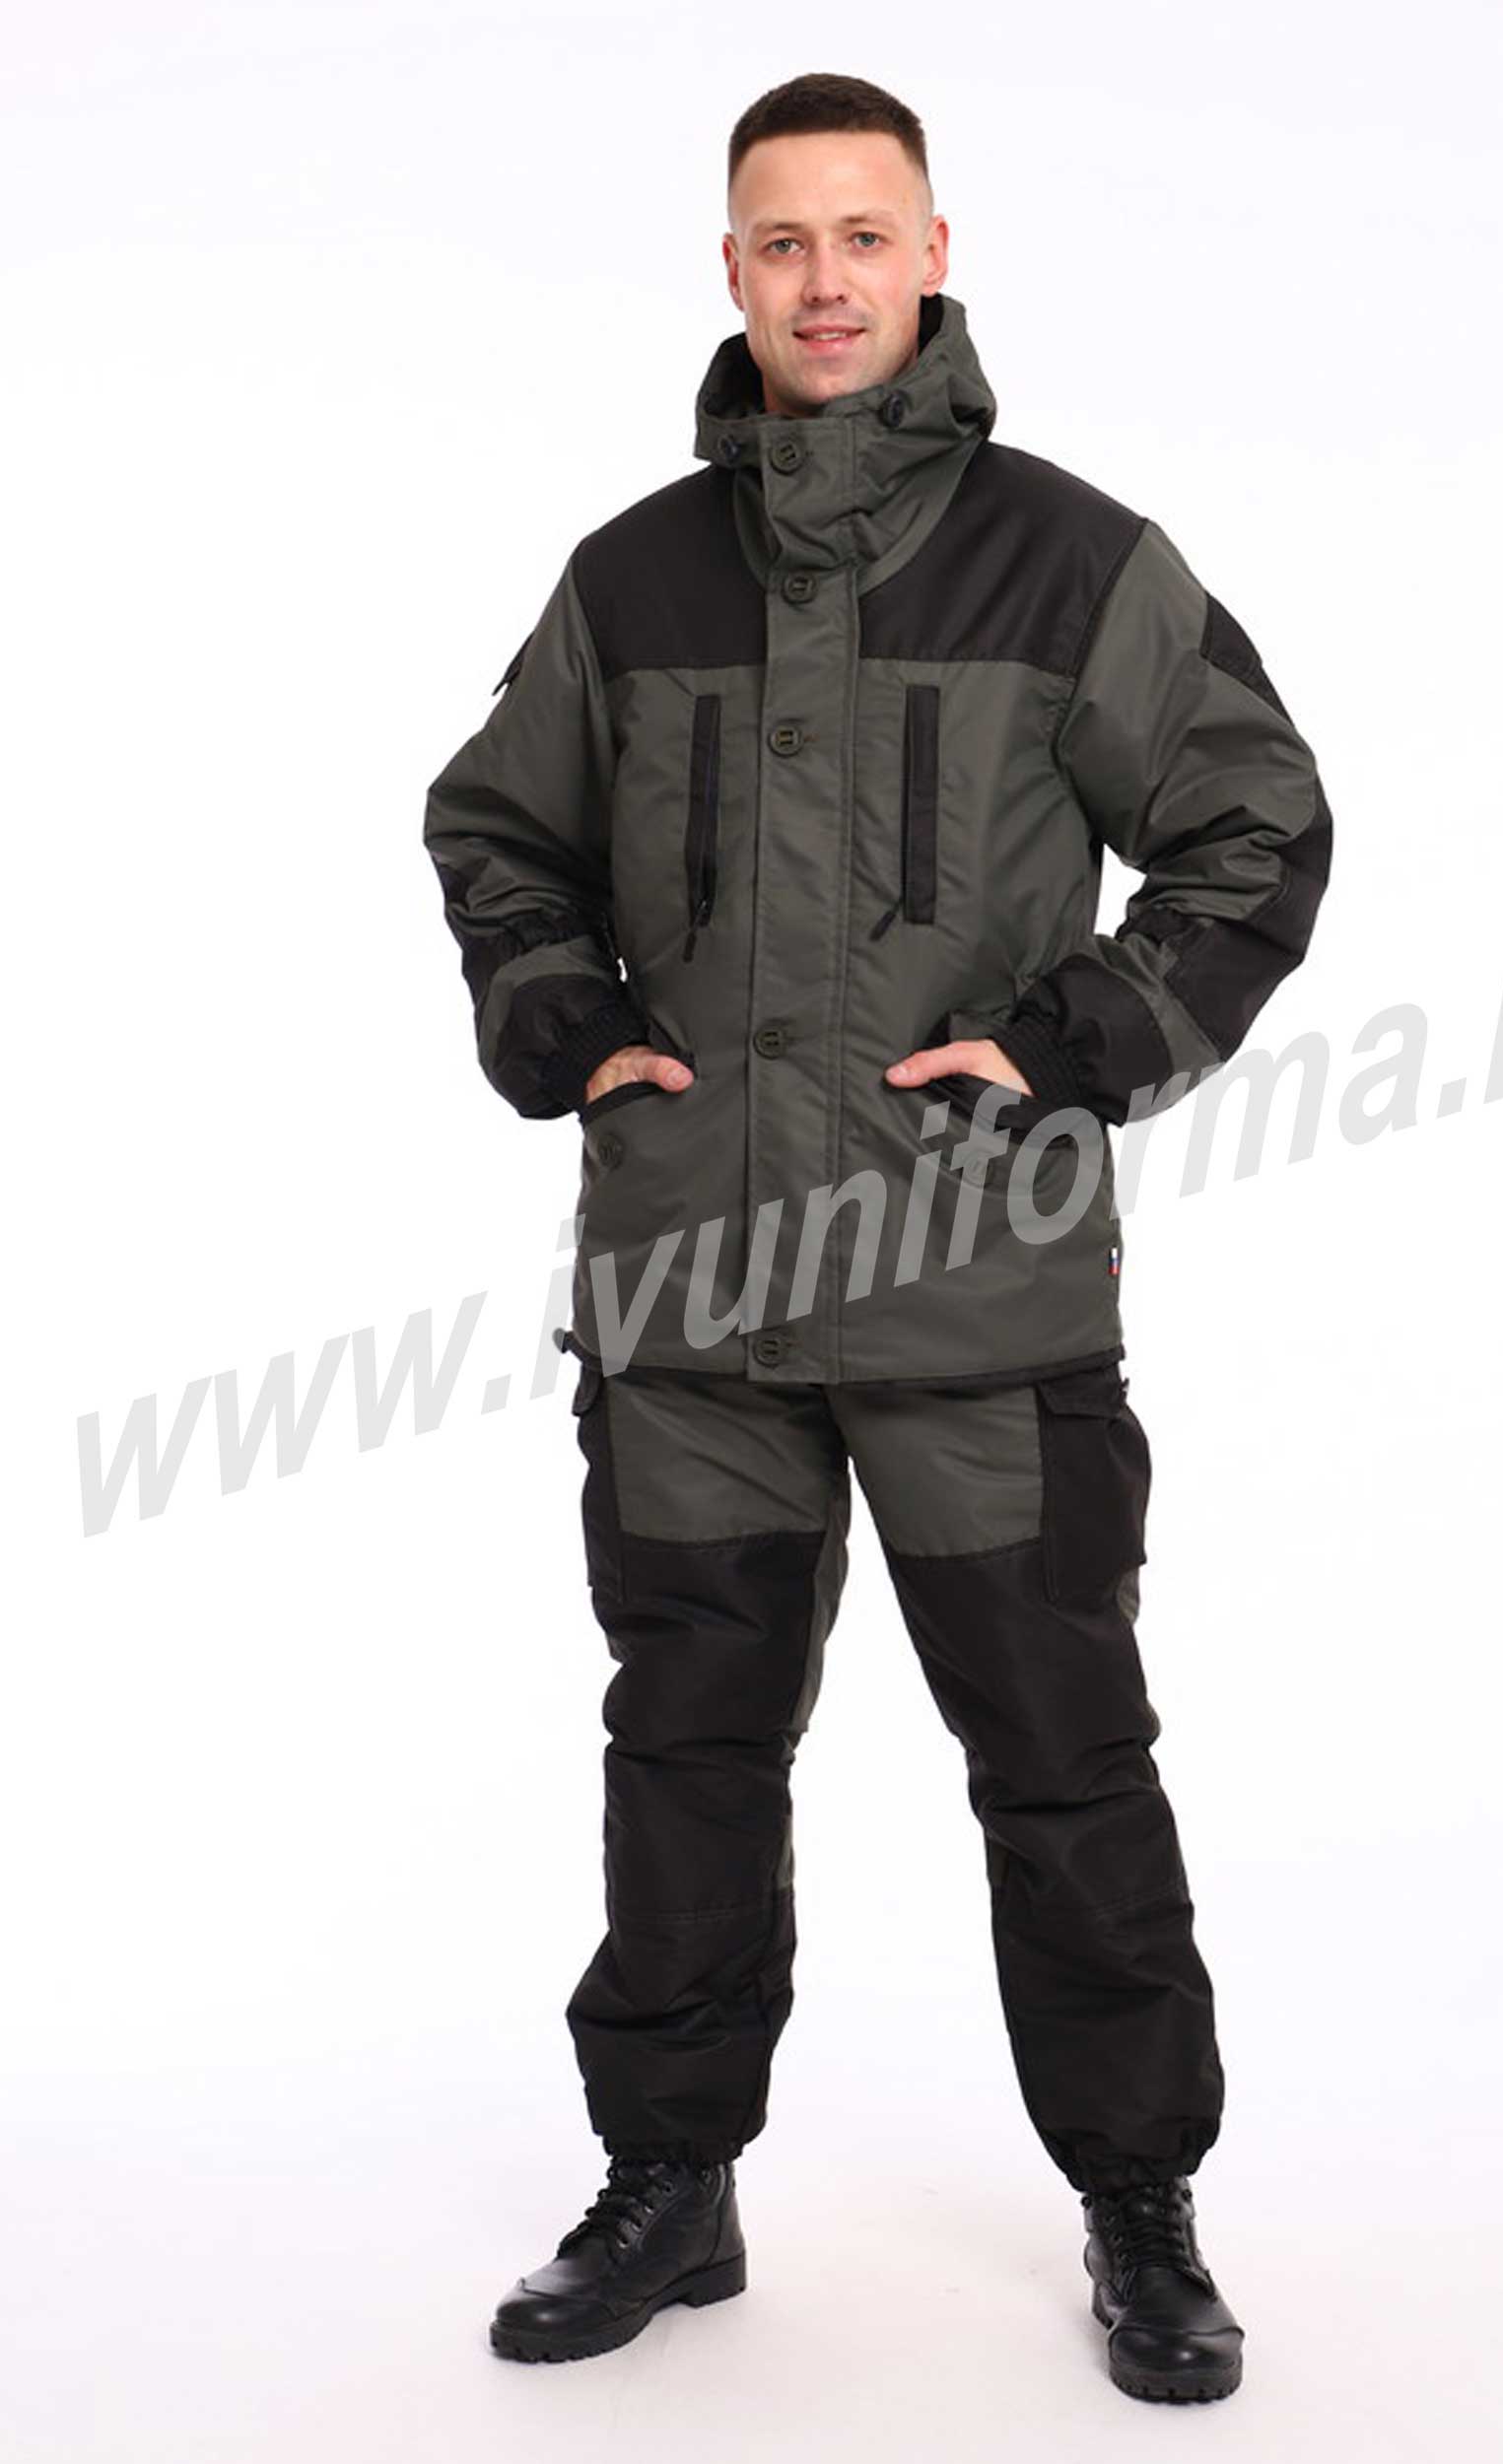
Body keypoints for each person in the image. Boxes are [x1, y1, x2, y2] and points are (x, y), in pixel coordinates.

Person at [423, 70, 1331, 2406]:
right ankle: (668, 2177)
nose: (821, 280)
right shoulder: (635, 578)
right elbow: (496, 828)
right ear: (729, 269)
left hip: (979, 1305)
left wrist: (1078, 1036)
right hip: (692, 1305)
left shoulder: (1071, 563)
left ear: (934, 252)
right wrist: (566, 1023)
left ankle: (1140, 2201)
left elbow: (1254, 822)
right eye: (778, 239)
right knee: (686, 1754)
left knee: (1063, 1760)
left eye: (859, 234)